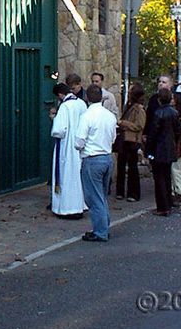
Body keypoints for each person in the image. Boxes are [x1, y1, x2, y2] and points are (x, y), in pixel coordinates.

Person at [74, 85, 117, 241]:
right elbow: (113, 138)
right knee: (102, 196)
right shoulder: (110, 116)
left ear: (87, 97)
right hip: (107, 156)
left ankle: (100, 231)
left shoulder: (87, 116)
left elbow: (79, 141)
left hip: (92, 158)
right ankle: (103, 226)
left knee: (93, 197)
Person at [50, 83, 88, 218]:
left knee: (67, 175)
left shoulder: (65, 107)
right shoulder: (81, 103)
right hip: (80, 145)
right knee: (77, 176)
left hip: (67, 147)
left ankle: (67, 208)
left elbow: (59, 130)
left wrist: (53, 119)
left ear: (60, 95)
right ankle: (80, 204)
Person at [146, 88, 181, 216]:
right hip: (169, 148)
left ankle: (162, 206)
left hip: (158, 149)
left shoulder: (158, 113)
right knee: (167, 177)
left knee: (159, 178)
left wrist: (148, 150)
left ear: (159, 99)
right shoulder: (174, 113)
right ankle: (168, 202)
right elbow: (178, 132)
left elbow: (153, 134)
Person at [115, 83, 146, 202]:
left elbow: (139, 125)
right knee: (121, 165)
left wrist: (123, 123)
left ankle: (133, 192)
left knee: (132, 167)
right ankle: (120, 191)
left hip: (132, 140)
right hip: (124, 139)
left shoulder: (139, 109)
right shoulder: (128, 106)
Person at [143, 75, 172, 139]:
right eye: (159, 82)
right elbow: (149, 116)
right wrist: (145, 133)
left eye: (164, 82)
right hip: (153, 134)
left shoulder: (174, 98)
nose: (160, 84)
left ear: (169, 85)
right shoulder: (153, 98)